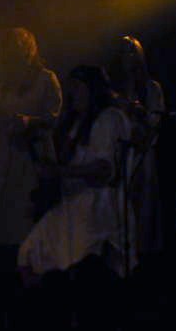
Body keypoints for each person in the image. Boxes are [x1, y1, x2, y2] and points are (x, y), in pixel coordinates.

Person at [17, 66, 132, 277]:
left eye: (78, 88)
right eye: (72, 88)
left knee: (84, 272)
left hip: (98, 209)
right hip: (74, 207)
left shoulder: (108, 119)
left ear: (93, 90)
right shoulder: (79, 122)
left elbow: (103, 170)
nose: (73, 94)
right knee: (30, 254)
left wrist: (59, 172)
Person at [0, 28, 62, 255]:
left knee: (26, 210)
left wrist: (29, 122)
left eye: (21, 46)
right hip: (6, 152)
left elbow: (54, 116)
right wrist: (5, 124)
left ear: (30, 49)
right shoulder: (1, 82)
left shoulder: (45, 79)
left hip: (32, 155)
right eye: (12, 46)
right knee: (1, 211)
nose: (16, 51)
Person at [108, 35, 166, 257]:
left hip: (141, 155)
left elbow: (155, 124)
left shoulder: (151, 88)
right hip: (118, 155)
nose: (127, 56)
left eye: (131, 51)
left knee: (143, 212)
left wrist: (139, 113)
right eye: (123, 52)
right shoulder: (113, 91)